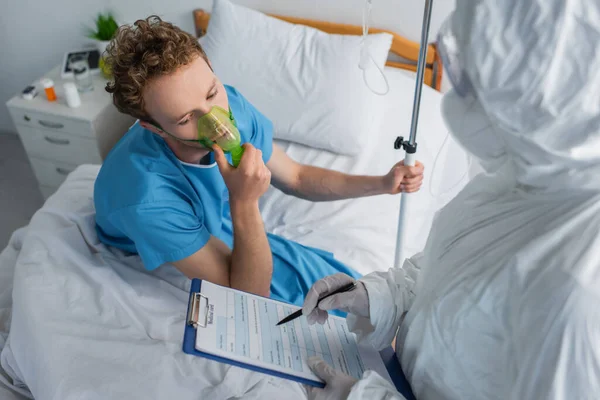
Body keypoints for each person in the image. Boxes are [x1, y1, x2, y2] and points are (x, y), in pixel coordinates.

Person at [302, 0, 600, 398]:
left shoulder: (580, 292)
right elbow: (450, 275)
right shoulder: (523, 175)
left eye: (470, 82)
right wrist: (377, 296)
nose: (457, 99)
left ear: (540, 98)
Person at [93, 16, 425, 306]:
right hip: (152, 231)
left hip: (206, 214)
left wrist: (382, 183)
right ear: (152, 128)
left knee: (343, 289)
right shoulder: (145, 199)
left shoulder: (230, 105)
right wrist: (244, 200)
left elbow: (295, 176)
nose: (218, 122)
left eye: (211, 93)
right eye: (185, 119)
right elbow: (248, 295)